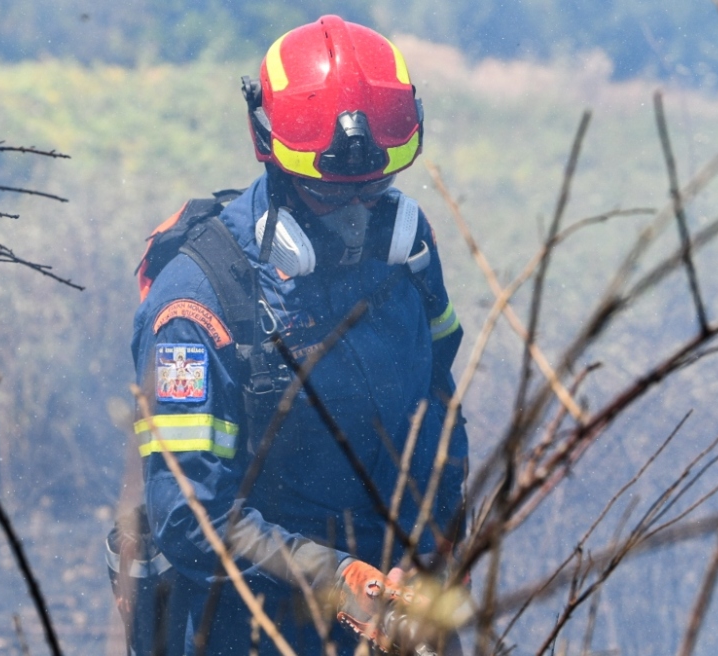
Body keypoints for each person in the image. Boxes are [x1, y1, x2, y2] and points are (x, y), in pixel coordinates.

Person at [128, 14, 468, 655]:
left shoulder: (408, 255)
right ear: (277, 159)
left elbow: (440, 414)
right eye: (332, 195)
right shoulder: (199, 306)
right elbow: (189, 515)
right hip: (250, 627)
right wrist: (337, 581)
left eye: (377, 186)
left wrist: (429, 556)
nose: (362, 215)